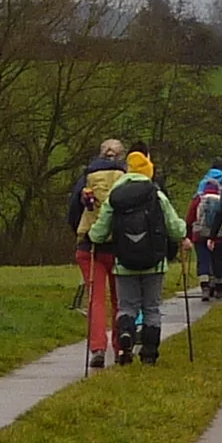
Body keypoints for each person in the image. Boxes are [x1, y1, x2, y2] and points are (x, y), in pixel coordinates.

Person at [87, 149, 188, 365]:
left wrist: (92, 235)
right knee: (152, 307)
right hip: (154, 263)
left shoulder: (116, 196)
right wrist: (184, 229)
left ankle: (126, 337)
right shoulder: (156, 194)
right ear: (149, 171)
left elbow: (99, 233)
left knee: (127, 306)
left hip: (124, 263)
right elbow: (176, 229)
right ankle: (150, 353)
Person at [66, 137, 128, 369]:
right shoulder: (127, 178)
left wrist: (81, 234)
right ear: (121, 156)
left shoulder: (87, 177)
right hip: (120, 246)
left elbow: (73, 211)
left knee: (96, 299)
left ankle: (98, 347)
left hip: (90, 247)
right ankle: (121, 345)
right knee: (120, 299)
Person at [188, 159, 222, 299]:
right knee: (218, 259)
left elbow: (190, 218)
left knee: (203, 260)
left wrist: (188, 234)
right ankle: (219, 287)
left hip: (199, 234)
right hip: (217, 234)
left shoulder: (199, 196)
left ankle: (205, 288)